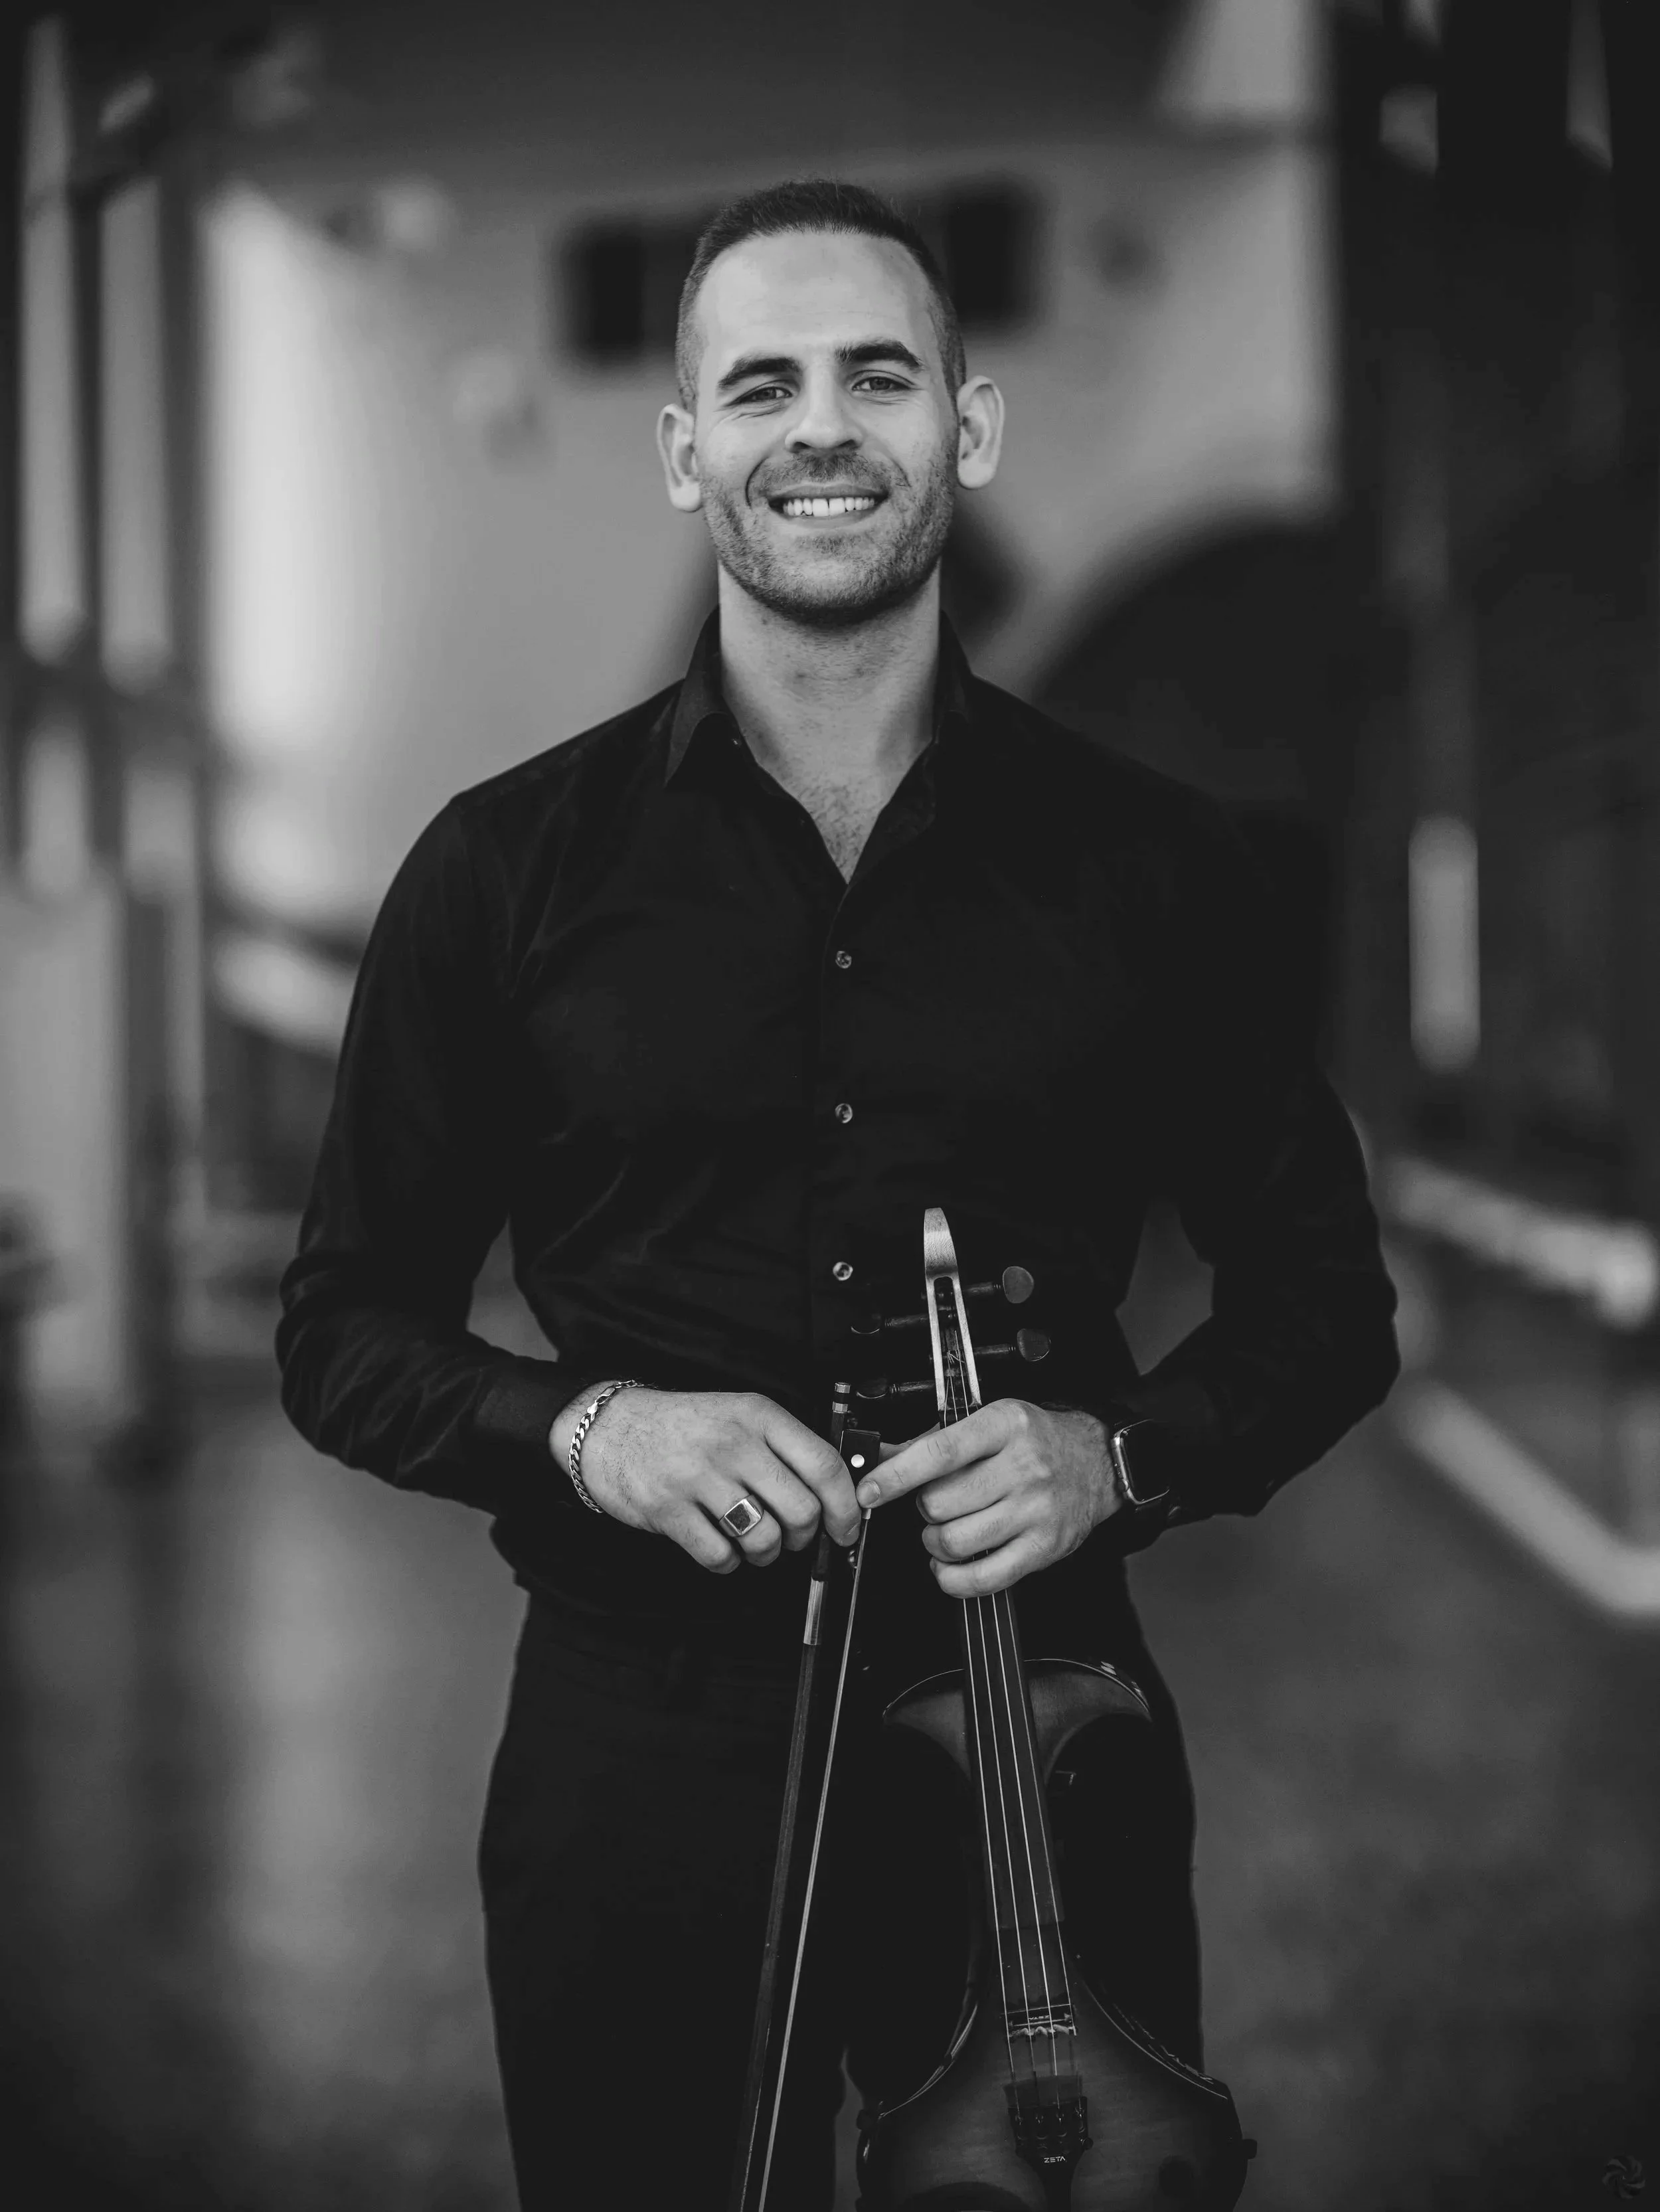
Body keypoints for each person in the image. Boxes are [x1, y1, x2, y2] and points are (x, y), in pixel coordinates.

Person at [276, 176, 1400, 2211]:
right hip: (640, 1734)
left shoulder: (1153, 866)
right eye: (760, 384)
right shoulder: (501, 871)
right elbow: (341, 1329)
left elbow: (1328, 1302)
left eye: (877, 376)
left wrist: (1118, 1457)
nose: (819, 428)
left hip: (1045, 1716)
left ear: (967, 424)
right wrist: (590, 1430)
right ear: (680, 445)